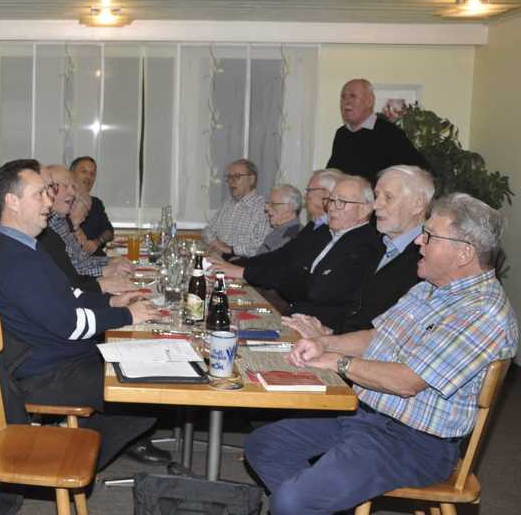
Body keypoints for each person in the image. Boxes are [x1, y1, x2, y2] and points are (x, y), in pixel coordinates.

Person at [245, 193, 518, 515]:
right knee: (263, 445)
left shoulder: (482, 311)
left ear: (464, 253)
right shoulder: (431, 287)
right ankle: (317, 502)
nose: (419, 240)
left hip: (413, 441)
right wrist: (325, 344)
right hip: (365, 413)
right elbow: (378, 337)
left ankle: (305, 502)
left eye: (430, 236)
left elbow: (407, 382)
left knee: (292, 501)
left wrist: (337, 362)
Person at [0, 158, 170, 467]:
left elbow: (70, 294)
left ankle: (71, 446)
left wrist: (110, 304)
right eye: (39, 194)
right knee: (146, 393)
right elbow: (71, 325)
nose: (48, 202)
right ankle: (64, 461)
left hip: (51, 357)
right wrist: (129, 316)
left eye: (47, 193)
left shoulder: (24, 245)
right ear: (11, 201)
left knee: (141, 368)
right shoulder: (16, 260)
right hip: (40, 373)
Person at [285, 165, 433, 337]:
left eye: (388, 197)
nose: (376, 205)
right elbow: (354, 310)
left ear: (417, 204)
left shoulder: (426, 259)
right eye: (377, 196)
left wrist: (329, 340)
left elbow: (392, 337)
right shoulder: (381, 245)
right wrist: (328, 332)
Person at [218, 176, 383, 330]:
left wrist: (246, 272)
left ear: (364, 210)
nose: (332, 207)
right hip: (294, 315)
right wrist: (235, 266)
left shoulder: (366, 245)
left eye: (341, 202)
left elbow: (316, 290)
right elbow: (283, 260)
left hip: (317, 330)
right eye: (332, 200)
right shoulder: (327, 233)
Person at [326, 78, 430, 183]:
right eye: (343, 97)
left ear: (370, 101)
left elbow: (421, 171)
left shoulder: (389, 133)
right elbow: (333, 172)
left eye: (353, 96)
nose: (346, 102)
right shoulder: (341, 134)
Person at [41, 165, 132, 279]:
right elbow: (69, 275)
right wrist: (106, 269)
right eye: (65, 186)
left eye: (73, 187)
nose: (72, 192)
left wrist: (110, 261)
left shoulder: (62, 221)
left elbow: (82, 261)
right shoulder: (44, 227)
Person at [202, 159, 271, 257]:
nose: (231, 182)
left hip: (241, 261)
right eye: (229, 177)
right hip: (216, 255)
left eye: (237, 176)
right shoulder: (227, 203)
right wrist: (216, 244)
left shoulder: (263, 208)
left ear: (251, 179)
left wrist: (230, 250)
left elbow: (261, 246)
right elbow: (207, 230)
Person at [69, 156, 114, 256]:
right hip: (76, 261)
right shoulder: (63, 202)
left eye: (92, 174)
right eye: (84, 172)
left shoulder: (96, 203)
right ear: (71, 174)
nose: (88, 177)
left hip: (96, 257)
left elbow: (109, 232)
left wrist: (97, 242)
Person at [256, 184, 303, 256]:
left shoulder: (293, 234)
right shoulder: (281, 229)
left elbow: (268, 264)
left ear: (289, 208)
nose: (266, 208)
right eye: (268, 203)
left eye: (273, 204)